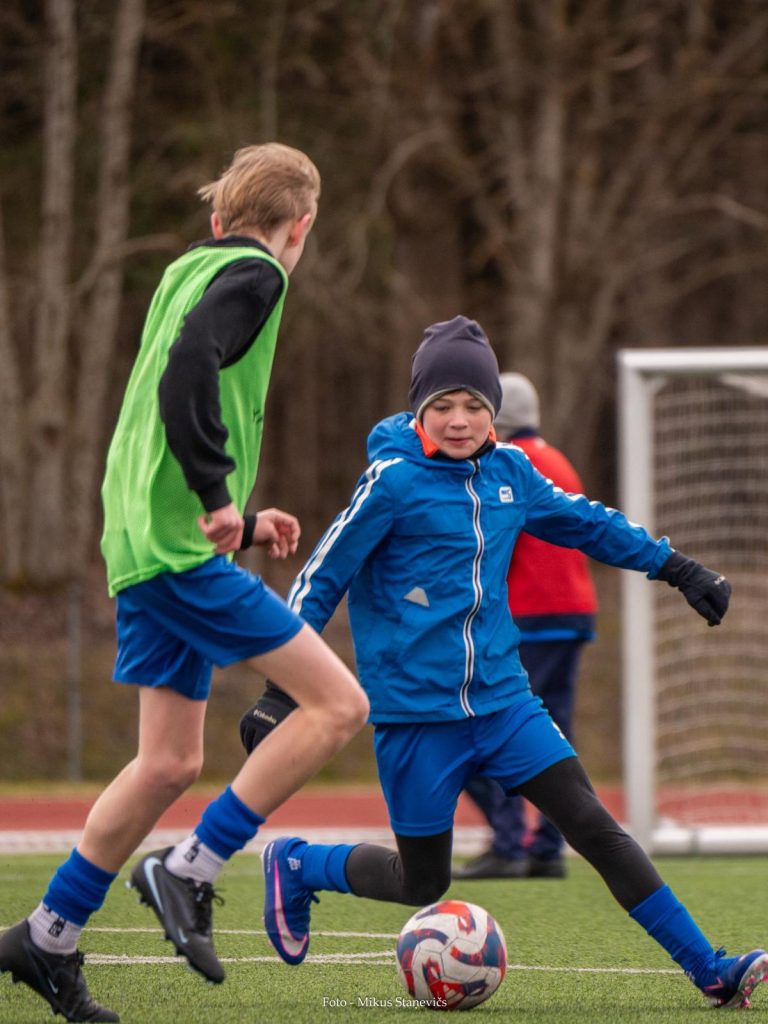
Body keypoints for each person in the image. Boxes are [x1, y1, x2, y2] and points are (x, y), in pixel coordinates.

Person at [240, 315, 766, 1009]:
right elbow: (319, 578)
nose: (459, 421)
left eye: (474, 407)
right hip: (415, 718)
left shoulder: (512, 474)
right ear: (417, 410)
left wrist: (675, 566)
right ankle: (300, 863)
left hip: (504, 702)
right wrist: (284, 688)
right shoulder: (390, 483)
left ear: (493, 414)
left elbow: (590, 523)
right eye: (443, 406)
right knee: (422, 883)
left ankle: (712, 969)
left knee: (595, 827)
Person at [0, 143, 369, 1024]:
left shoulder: (186, 270)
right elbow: (189, 371)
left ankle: (47, 938)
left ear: (216, 218)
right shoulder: (258, 275)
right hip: (177, 553)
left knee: (168, 759)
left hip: (138, 545)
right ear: (301, 227)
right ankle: (190, 868)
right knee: (339, 707)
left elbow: (167, 405)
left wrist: (242, 511)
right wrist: (214, 495)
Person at [453, 372, 598, 881]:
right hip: (574, 612)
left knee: (489, 725)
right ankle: (548, 848)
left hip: (532, 614)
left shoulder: (509, 464)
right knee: (556, 729)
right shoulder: (558, 458)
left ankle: (510, 840)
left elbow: (492, 543)